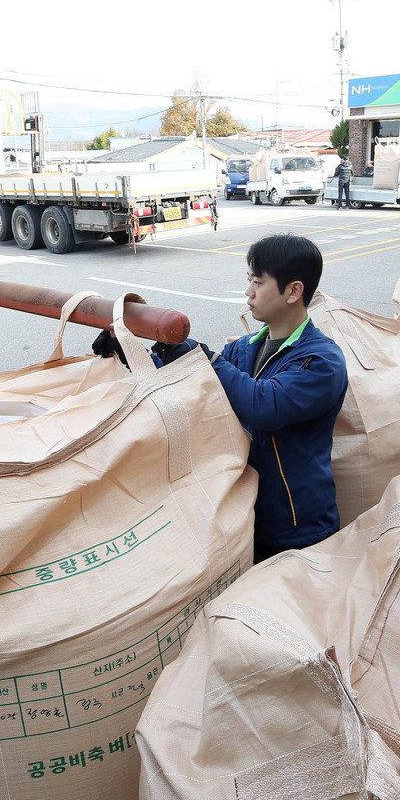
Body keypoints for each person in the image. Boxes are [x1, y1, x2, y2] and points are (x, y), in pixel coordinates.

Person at [97, 235, 349, 562]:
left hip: (298, 529)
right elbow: (194, 388)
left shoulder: (321, 362)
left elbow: (264, 406)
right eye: (249, 281)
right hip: (240, 516)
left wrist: (208, 360)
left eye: (258, 282)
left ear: (293, 291)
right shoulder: (242, 349)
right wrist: (133, 354)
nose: (249, 292)